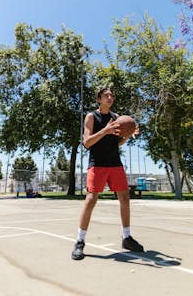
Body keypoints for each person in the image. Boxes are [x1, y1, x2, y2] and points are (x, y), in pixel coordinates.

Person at [71, 87, 144, 260]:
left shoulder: (116, 117)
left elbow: (115, 144)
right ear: (99, 99)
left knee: (125, 198)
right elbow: (87, 143)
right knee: (91, 200)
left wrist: (128, 134)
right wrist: (105, 130)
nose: (110, 97)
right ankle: (79, 241)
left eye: (112, 95)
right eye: (106, 95)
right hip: (97, 163)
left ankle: (126, 237)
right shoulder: (91, 117)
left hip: (115, 163)